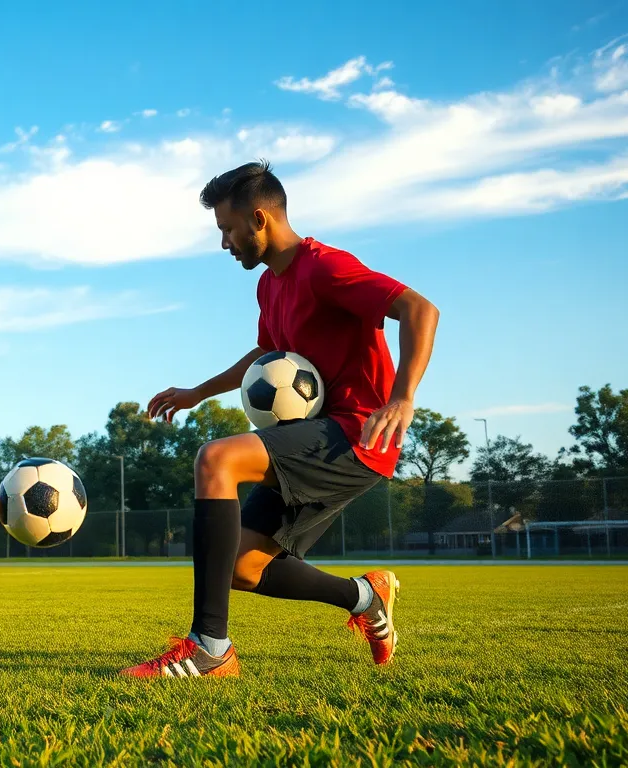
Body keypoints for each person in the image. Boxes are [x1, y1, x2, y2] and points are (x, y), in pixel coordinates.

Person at [121, 161, 440, 678]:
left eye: (228, 228)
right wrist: (197, 392)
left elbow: (420, 309)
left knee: (217, 459)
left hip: (357, 433)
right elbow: (266, 355)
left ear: (260, 218)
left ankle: (211, 648)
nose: (225, 242)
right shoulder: (270, 286)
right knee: (242, 567)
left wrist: (402, 398)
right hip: (314, 435)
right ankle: (363, 596)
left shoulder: (325, 267)